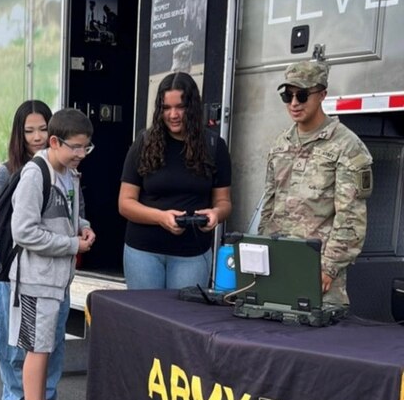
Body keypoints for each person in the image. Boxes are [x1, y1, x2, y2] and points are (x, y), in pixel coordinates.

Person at [10, 108, 96, 400]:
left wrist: (83, 226)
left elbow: (68, 215)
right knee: (37, 349)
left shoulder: (69, 174)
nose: (81, 155)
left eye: (86, 148)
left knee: (47, 346)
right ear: (55, 141)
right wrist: (72, 244)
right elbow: (24, 232)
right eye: (75, 147)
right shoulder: (35, 174)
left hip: (56, 279)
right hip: (35, 279)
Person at [259, 60, 373, 305]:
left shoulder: (346, 145)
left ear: (322, 95)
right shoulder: (281, 144)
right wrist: (261, 254)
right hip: (278, 265)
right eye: (287, 96)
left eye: (301, 95)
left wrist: (329, 269)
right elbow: (269, 206)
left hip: (319, 272)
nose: (294, 103)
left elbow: (351, 217)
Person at [0, 100, 70, 400]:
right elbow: (3, 224)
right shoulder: (7, 171)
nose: (37, 136)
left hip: (54, 269)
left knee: (52, 337)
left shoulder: (65, 170)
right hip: (16, 269)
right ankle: (16, 397)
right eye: (29, 130)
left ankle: (45, 397)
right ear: (19, 134)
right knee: (14, 339)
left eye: (43, 129)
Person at [118, 72, 231, 290]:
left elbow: (224, 201)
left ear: (193, 106)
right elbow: (125, 203)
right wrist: (161, 217)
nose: (173, 115)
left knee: (182, 321)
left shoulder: (214, 146)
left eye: (180, 107)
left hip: (192, 253)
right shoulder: (143, 142)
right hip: (143, 252)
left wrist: (216, 214)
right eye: (166, 108)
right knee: (145, 319)